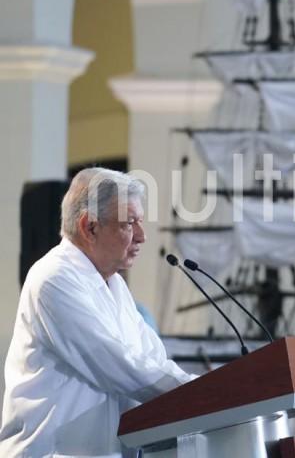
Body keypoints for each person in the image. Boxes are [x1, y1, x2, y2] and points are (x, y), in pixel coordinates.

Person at [0, 168, 194, 457]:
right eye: (129, 223)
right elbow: (121, 366)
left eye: (140, 222)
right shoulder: (54, 278)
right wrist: (205, 392)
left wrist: (204, 389)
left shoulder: (113, 284)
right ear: (90, 227)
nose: (141, 236)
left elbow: (152, 358)